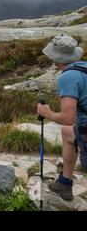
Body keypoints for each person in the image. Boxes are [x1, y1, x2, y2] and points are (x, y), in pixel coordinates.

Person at [37, 34, 86, 201]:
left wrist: (47, 113)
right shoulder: (84, 68)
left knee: (68, 126)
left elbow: (67, 118)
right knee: (67, 133)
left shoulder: (68, 77)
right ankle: (65, 183)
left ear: (55, 58)